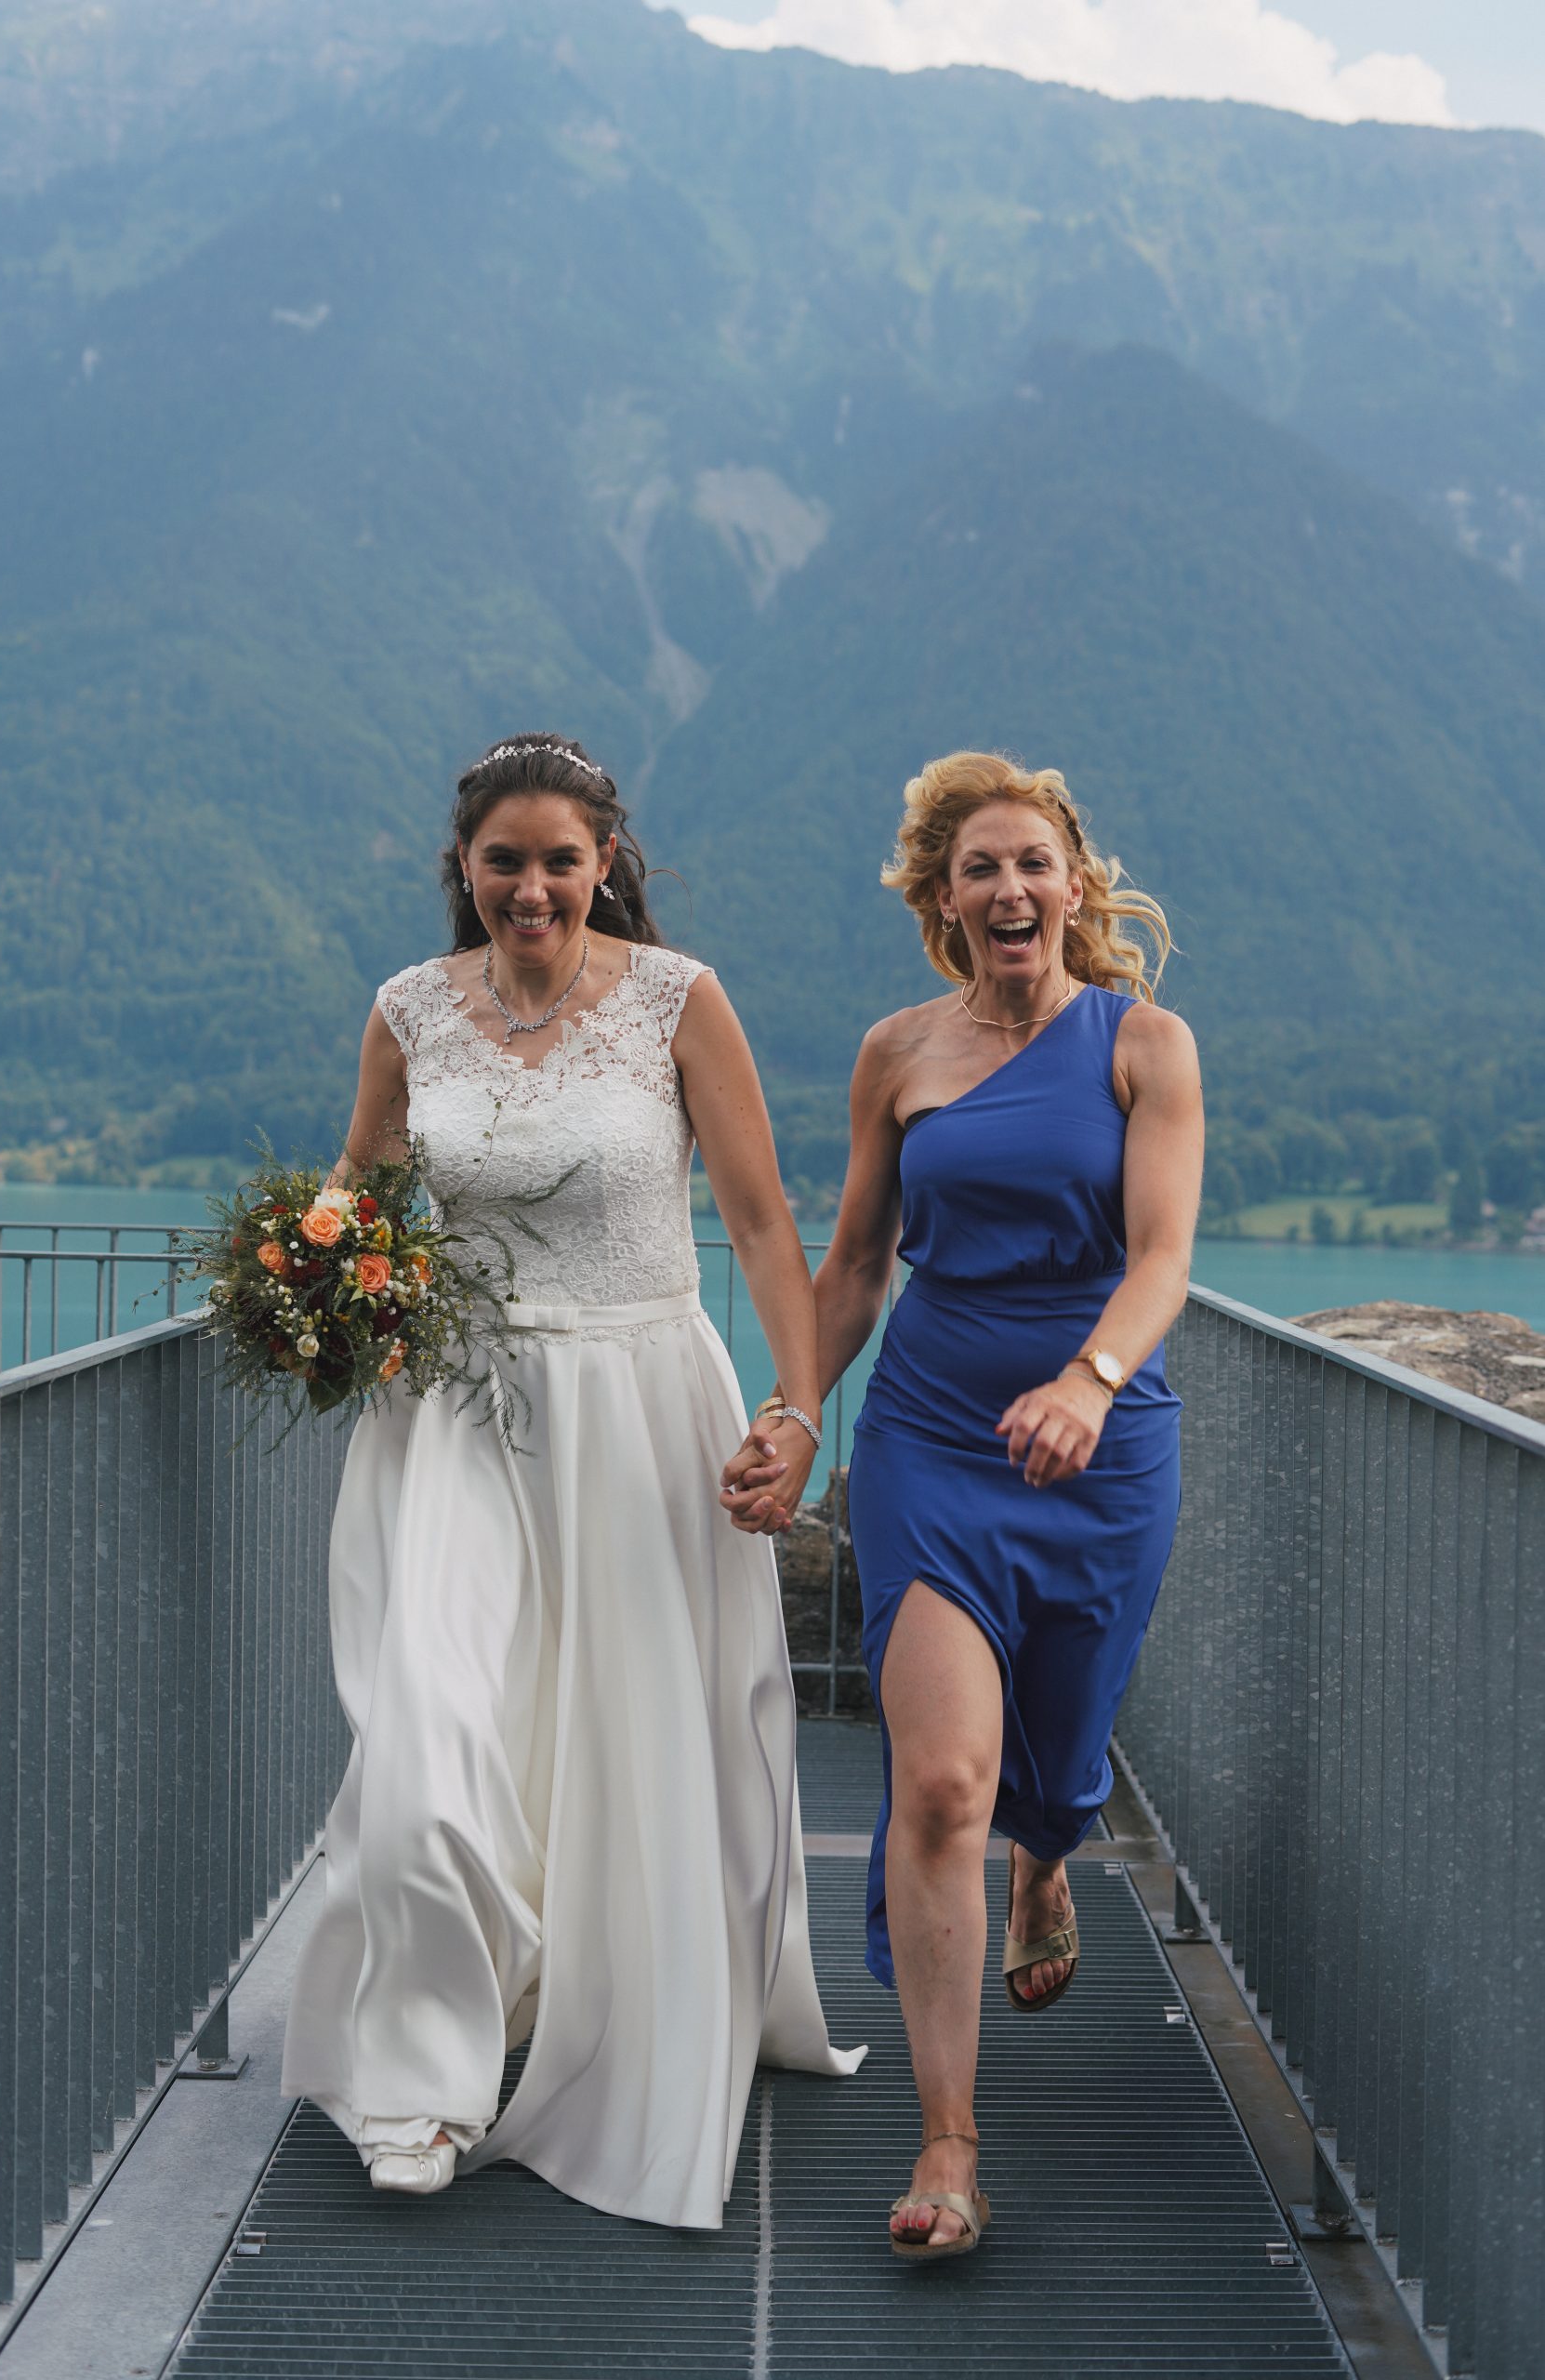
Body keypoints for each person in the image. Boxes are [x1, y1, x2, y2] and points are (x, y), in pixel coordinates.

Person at [282, 731, 861, 2228]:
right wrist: (305, 1285)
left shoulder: (678, 1000)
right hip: (453, 1417)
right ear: (464, 868)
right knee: (427, 1740)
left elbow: (761, 1221)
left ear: (605, 864)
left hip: (641, 1403)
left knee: (626, 1736)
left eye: (559, 860)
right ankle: (422, 2080)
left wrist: (799, 1412)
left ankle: (598, 1995)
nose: (530, 887)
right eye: (504, 861)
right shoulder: (410, 1010)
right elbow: (360, 1188)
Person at [722, 751, 1201, 2261]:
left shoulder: (1145, 1045)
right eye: (979, 868)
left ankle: (1046, 1860)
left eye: (1032, 864)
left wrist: (1091, 1381)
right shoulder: (898, 1054)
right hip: (931, 1437)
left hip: (1099, 1444)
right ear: (941, 898)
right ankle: (949, 2141)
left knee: (1057, 1754)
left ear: (1075, 886)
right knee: (939, 1784)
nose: (1009, 889)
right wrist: (800, 1411)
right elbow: (859, 1263)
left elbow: (1163, 1256)